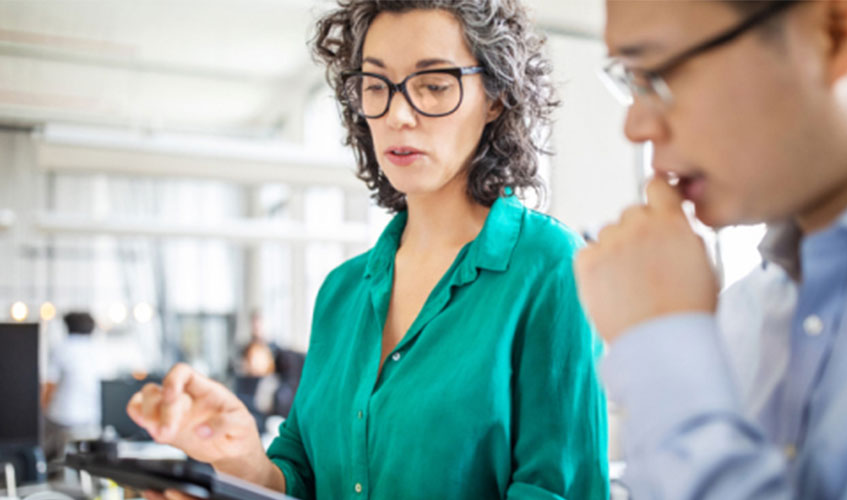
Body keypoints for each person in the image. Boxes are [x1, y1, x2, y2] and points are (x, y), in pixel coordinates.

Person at [128, 1, 609, 499]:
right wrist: (240, 460)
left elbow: (561, 489)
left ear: (495, 98)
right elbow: (301, 477)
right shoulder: (341, 292)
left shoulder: (551, 268)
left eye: (434, 85)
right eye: (377, 87)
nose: (398, 115)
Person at [575, 0, 847, 498]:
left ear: (836, 33)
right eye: (630, 81)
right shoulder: (749, 312)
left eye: (658, 74)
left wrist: (661, 347)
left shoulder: (681, 336)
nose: (635, 128)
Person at [42, 312, 106, 460]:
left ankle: (46, 471)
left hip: (62, 416)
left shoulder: (61, 348)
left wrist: (41, 410)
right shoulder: (98, 350)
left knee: (41, 440)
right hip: (91, 417)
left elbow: (50, 385)